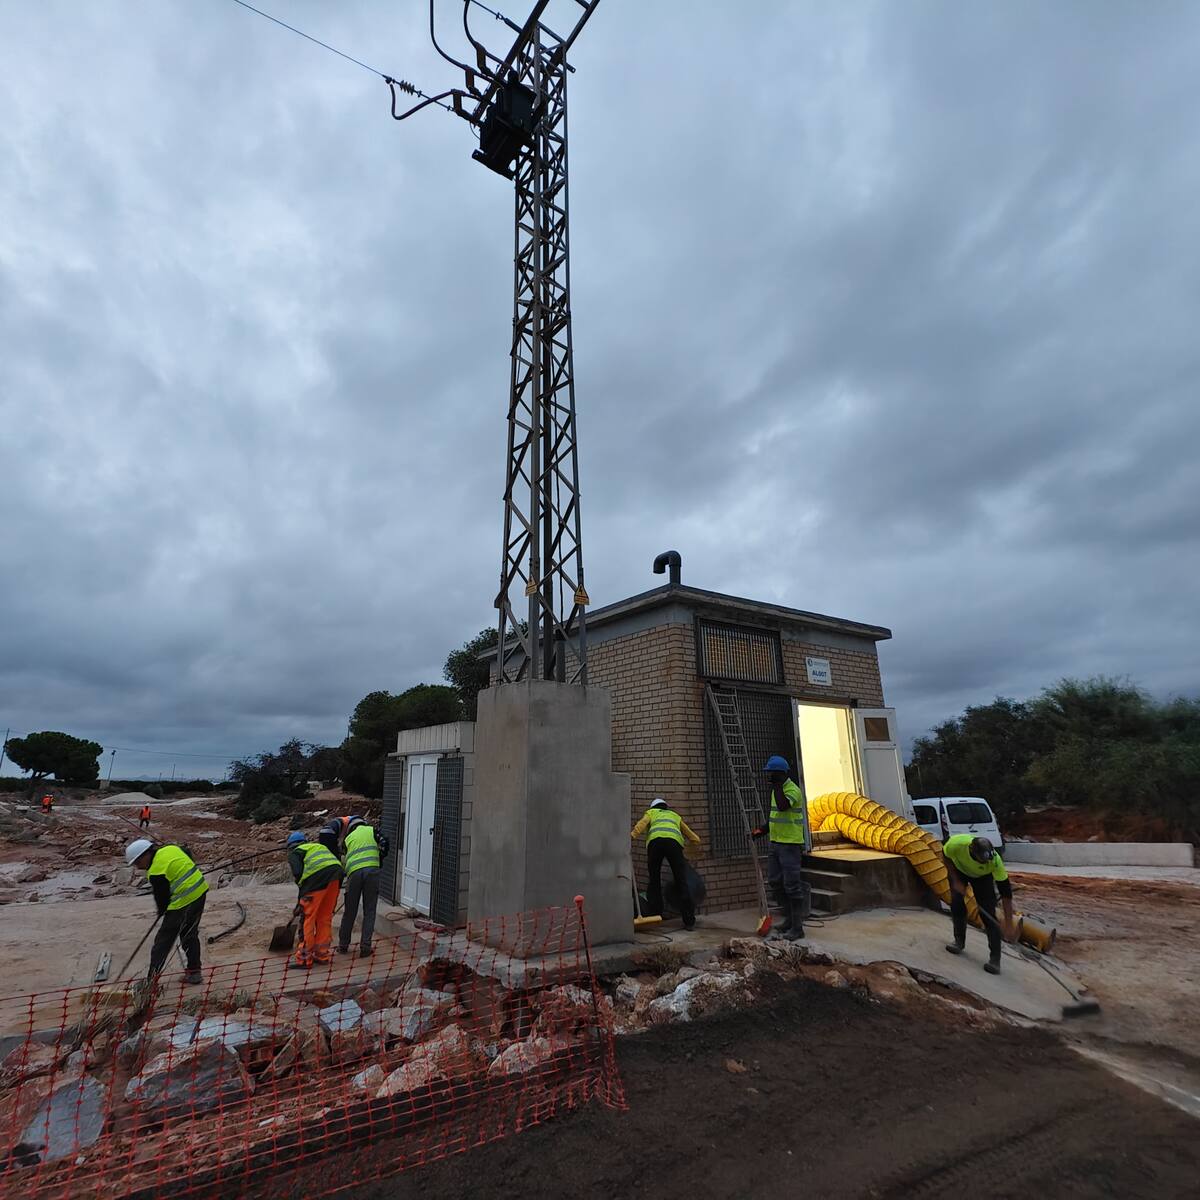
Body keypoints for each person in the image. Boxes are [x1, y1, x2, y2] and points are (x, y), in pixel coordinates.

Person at [125, 838, 208, 984]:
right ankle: (194, 973)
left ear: (146, 854)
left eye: (138, 863)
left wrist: (162, 912)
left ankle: (151, 981)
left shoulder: (156, 871)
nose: (138, 868)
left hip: (184, 902)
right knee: (189, 934)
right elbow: (187, 853)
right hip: (200, 891)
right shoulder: (171, 848)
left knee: (162, 942)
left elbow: (162, 899)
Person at [943, 834, 1015, 974]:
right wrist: (956, 880)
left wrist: (1009, 924)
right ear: (971, 851)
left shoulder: (994, 861)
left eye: (986, 860)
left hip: (982, 879)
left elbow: (1006, 893)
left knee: (988, 914)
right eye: (981, 861)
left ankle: (995, 959)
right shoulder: (956, 844)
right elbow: (945, 856)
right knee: (957, 904)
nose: (985, 863)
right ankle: (959, 941)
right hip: (959, 871)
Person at [755, 756, 810, 941]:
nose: (768, 776)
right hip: (776, 843)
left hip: (790, 845)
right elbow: (775, 816)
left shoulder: (793, 790)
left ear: (780, 773)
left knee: (792, 886)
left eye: (771, 773)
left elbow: (783, 806)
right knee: (775, 881)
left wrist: (777, 786)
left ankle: (797, 927)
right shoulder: (776, 790)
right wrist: (761, 831)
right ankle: (788, 919)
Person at [630, 798, 701, 929]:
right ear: (666, 807)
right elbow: (693, 836)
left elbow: (642, 824)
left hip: (655, 844)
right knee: (681, 881)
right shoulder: (674, 815)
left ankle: (656, 914)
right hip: (674, 845)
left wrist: (631, 836)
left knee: (654, 879)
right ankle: (689, 921)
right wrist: (693, 848)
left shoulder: (651, 813)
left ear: (652, 807)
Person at [286, 830, 343, 968]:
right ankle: (322, 954)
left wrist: (302, 900)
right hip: (336, 876)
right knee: (324, 917)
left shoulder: (295, 852)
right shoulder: (317, 847)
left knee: (308, 918)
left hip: (318, 879)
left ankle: (305, 958)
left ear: (291, 846)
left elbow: (299, 874)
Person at [337, 816, 388, 959]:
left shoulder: (347, 839)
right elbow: (385, 842)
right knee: (369, 911)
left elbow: (343, 858)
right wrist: (380, 858)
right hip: (372, 871)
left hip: (353, 874)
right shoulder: (372, 830)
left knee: (349, 911)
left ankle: (343, 945)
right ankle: (365, 947)